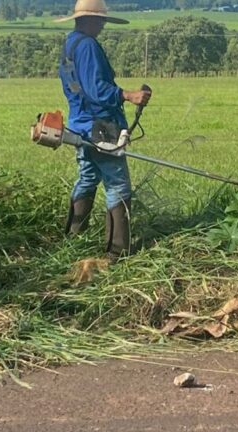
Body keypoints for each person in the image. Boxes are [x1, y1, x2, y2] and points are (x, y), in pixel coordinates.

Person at [55, 0, 151, 256]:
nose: (102, 26)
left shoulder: (70, 43)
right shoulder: (87, 46)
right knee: (118, 183)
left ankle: (73, 239)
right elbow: (97, 89)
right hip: (101, 126)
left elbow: (76, 87)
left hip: (80, 123)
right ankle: (117, 252)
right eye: (100, 21)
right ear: (89, 20)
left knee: (87, 177)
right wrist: (128, 95)